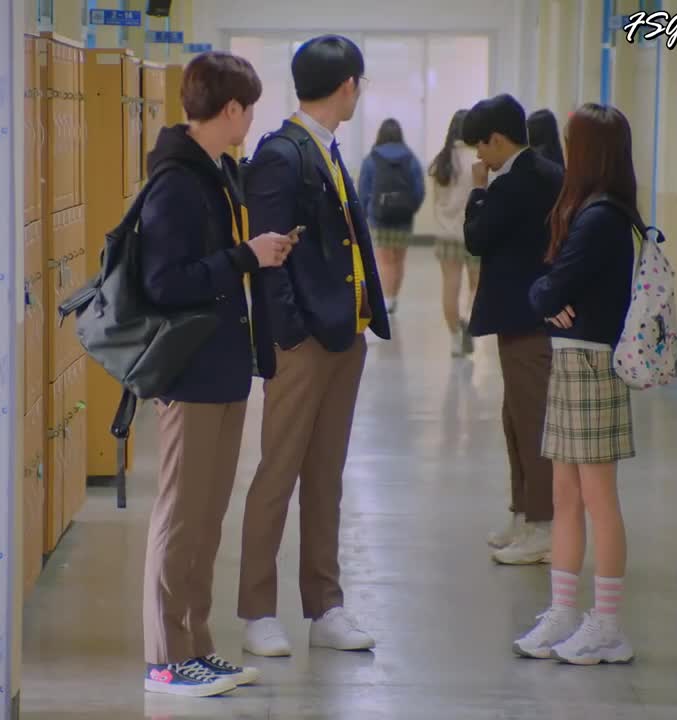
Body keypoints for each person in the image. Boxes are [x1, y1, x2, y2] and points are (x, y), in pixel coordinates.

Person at [138, 51, 299, 697]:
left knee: (206, 520)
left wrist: (252, 256)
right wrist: (244, 257)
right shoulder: (177, 182)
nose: (251, 119)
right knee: (181, 517)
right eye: (248, 108)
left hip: (224, 367)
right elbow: (164, 282)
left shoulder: (218, 174)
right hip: (190, 373)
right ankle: (164, 659)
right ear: (230, 109)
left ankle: (196, 646)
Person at [238, 34, 391, 658]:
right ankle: (257, 611)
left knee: (326, 477)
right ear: (347, 85)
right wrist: (291, 333)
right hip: (303, 342)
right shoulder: (282, 154)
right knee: (279, 473)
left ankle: (326, 606)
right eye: (360, 83)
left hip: (344, 336)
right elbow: (268, 258)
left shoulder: (325, 148)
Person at [515, 103, 639, 665]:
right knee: (565, 495)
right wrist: (548, 295)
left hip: (591, 365)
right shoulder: (589, 212)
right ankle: (564, 611)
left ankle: (608, 625)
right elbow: (550, 290)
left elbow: (550, 287)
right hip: (571, 362)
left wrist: (547, 296)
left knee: (597, 498)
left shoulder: (601, 218)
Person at [461, 93, 563, 565]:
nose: (480, 157)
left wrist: (478, 191)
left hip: (525, 319)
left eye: (481, 147)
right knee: (515, 418)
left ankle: (543, 525)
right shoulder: (551, 175)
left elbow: (476, 238)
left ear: (498, 140)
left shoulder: (512, 184)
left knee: (530, 420)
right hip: (532, 315)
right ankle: (523, 513)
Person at [358, 118, 425, 316]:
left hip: (379, 218)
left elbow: (363, 191)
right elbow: (419, 190)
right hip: (404, 218)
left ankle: (387, 301)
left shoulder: (371, 159)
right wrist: (411, 208)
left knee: (385, 261)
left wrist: (366, 213)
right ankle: (393, 297)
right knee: (399, 261)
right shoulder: (411, 158)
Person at [429, 108, 481, 357]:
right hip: (474, 233)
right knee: (477, 285)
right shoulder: (478, 159)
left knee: (450, 286)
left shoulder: (441, 161)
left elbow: (436, 201)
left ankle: (454, 338)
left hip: (446, 234)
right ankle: (469, 319)